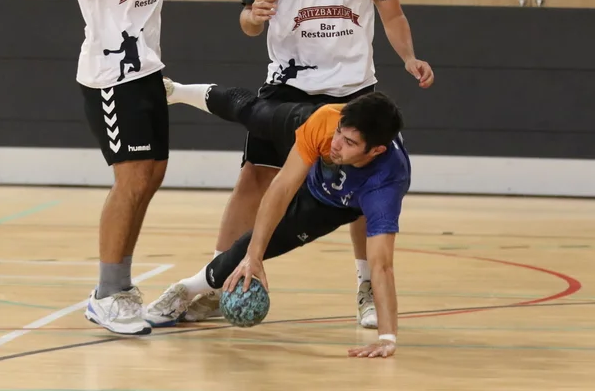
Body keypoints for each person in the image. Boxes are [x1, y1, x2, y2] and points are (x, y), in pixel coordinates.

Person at [179, 0, 434, 329]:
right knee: (255, 178)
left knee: (361, 190)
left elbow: (393, 14)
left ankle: (365, 286)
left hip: (352, 90)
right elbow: (247, 22)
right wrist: (253, 16)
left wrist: (408, 57)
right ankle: (218, 280)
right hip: (288, 87)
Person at [39, 0, 185, 335]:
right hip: (110, 75)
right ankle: (107, 293)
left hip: (148, 67)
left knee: (152, 174)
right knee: (131, 179)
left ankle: (121, 287)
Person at [144, 82, 409, 359]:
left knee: (256, 245)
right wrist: (253, 256)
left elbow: (382, 265)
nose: (336, 144)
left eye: (349, 143)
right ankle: (178, 91)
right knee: (255, 114)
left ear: (376, 150)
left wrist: (387, 338)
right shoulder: (326, 121)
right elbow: (282, 188)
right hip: (315, 170)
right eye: (340, 132)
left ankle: (185, 288)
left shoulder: (386, 186)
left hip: (331, 204)